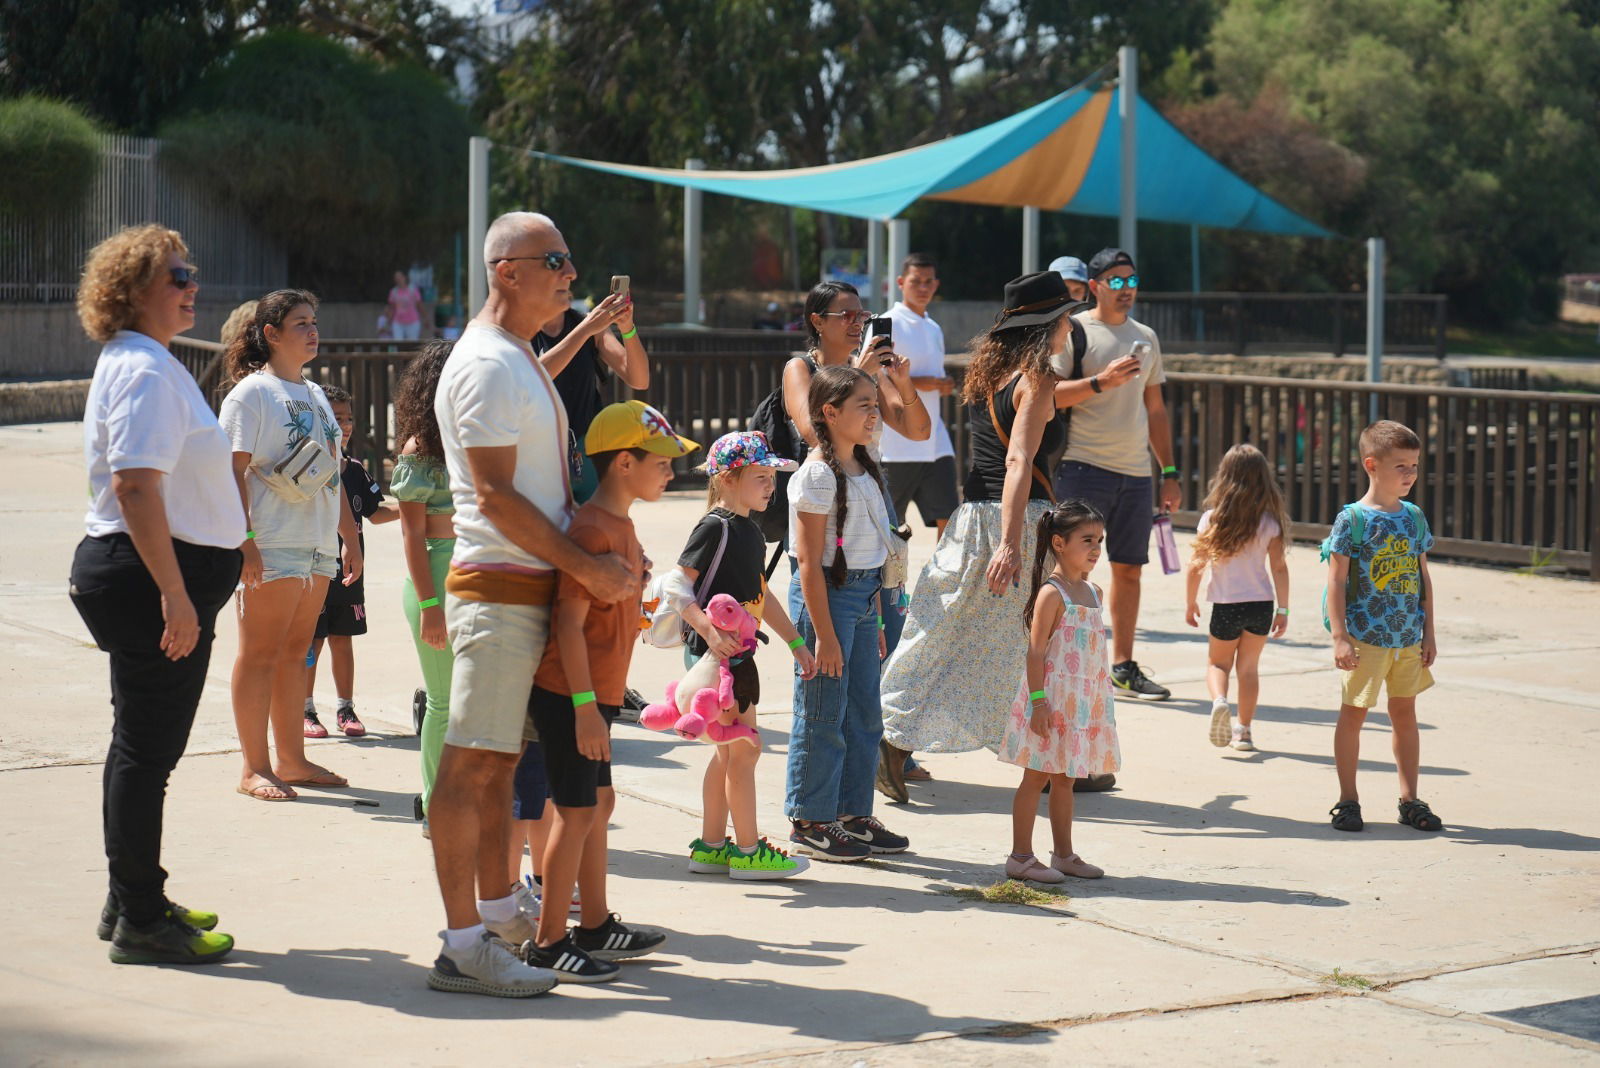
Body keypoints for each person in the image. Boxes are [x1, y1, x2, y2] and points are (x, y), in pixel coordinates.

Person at [425, 211, 638, 999]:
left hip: (525, 587)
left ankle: (493, 917)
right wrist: (587, 564)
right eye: (556, 260)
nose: (571, 274)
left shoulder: (513, 355)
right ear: (506, 270)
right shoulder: (485, 361)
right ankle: (461, 943)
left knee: (498, 767)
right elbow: (492, 496)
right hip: (499, 588)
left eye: (570, 258)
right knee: (470, 764)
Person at [71, 224, 244, 964]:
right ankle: (141, 915)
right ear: (132, 291)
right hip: (150, 580)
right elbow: (136, 484)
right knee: (148, 754)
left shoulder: (141, 361)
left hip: (148, 576)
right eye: (176, 276)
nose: (190, 286)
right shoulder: (143, 368)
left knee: (136, 749)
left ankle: (130, 896)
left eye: (190, 271)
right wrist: (176, 595)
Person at [877, 272, 1074, 783]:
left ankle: (893, 737)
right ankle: (1058, 758)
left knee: (941, 632)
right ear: (1046, 326)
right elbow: (1018, 461)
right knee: (1042, 640)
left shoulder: (994, 375)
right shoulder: (1038, 379)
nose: (1070, 326)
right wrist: (1011, 544)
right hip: (1018, 521)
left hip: (970, 520)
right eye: (1065, 318)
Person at [521, 400, 687, 981]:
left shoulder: (619, 524)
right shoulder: (592, 528)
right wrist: (587, 710)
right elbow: (565, 623)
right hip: (572, 694)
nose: (671, 471)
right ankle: (547, 941)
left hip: (598, 692)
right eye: (661, 461)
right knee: (574, 810)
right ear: (623, 462)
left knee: (599, 804)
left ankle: (594, 925)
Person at [782, 281, 931, 798]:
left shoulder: (873, 378)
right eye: (845, 314)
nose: (856, 322)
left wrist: (899, 383)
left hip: (869, 528)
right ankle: (816, 812)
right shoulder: (801, 369)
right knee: (826, 690)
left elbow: (917, 429)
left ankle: (861, 793)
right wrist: (864, 372)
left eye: (861, 313)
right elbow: (811, 430)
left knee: (871, 674)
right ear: (817, 320)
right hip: (828, 523)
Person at [220, 290, 361, 801]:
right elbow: (229, 472)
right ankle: (253, 768)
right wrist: (246, 542)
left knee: (294, 654)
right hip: (272, 543)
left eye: (313, 322)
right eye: (299, 323)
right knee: (258, 653)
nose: (311, 330)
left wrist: (348, 534)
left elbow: (333, 473)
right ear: (271, 334)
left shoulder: (317, 395)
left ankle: (292, 761)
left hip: (317, 545)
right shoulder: (251, 394)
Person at [672, 431, 815, 880]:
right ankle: (749, 852)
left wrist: (795, 642)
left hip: (734, 658)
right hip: (718, 660)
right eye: (760, 476)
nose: (770, 486)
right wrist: (709, 631)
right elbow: (677, 584)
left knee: (729, 754)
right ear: (728, 479)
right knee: (744, 752)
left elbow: (760, 593)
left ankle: (713, 847)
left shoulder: (748, 529)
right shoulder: (714, 526)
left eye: (772, 477)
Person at [786, 366, 911, 861]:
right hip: (827, 603)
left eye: (874, 404)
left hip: (864, 601)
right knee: (822, 713)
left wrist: (876, 615)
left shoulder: (869, 463)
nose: (874, 413)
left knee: (864, 714)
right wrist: (824, 635)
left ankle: (852, 814)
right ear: (829, 412)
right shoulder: (815, 476)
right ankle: (810, 819)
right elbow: (809, 565)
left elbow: (877, 547)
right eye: (864, 404)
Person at [1052, 247, 1182, 702]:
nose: (1127, 290)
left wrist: (1169, 471)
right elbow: (1047, 395)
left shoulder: (1145, 335)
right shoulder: (1075, 332)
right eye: (1117, 282)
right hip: (1083, 467)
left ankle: (1123, 667)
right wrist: (1100, 382)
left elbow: (1156, 408)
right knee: (1067, 569)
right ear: (1095, 287)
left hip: (1135, 473)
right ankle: (1057, 658)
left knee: (1130, 570)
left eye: (1132, 281)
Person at [1326, 421, 1442, 834]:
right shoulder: (1352, 519)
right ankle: (1348, 800)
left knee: (1405, 714)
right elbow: (1336, 581)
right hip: (1365, 637)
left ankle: (1410, 799)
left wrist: (1428, 632)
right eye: (1401, 466)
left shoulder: (1413, 517)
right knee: (1354, 715)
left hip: (1408, 637)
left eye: (1414, 465)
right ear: (1372, 465)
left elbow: (1423, 576)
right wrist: (1340, 637)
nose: (1410, 474)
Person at [999, 500, 1119, 883]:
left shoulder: (1094, 592)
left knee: (1066, 778)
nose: (1096, 549)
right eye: (1087, 540)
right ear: (1059, 542)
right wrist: (1038, 703)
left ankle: (1064, 854)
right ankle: (1020, 857)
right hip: (1049, 702)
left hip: (1080, 705)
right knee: (1035, 777)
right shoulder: (1053, 594)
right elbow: (1035, 652)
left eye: (1099, 540)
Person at [1184, 444, 1291, 752]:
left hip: (1225, 604)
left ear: (1224, 477)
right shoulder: (1270, 522)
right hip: (1260, 605)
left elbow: (1196, 566)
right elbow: (1280, 568)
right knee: (1248, 669)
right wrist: (1283, 609)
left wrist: (1190, 602)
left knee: (1218, 664)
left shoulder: (1212, 520)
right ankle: (1243, 732)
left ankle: (1219, 701)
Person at [304, 384, 397, 739]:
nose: (343, 425)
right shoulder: (310, 467)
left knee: (343, 638)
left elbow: (376, 512)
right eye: (335, 417)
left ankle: (346, 708)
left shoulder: (355, 470)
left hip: (348, 574)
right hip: (315, 567)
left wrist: (415, 507)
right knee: (311, 641)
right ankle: (305, 709)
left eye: (348, 418)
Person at [389, 341, 456, 828]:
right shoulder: (420, 449)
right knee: (445, 701)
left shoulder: (475, 438)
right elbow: (411, 533)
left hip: (478, 573)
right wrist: (431, 605)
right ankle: (438, 805)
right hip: (434, 575)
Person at [532, 290, 646, 504]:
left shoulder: (589, 326)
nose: (566, 279)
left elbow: (639, 379)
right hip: (539, 452)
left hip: (586, 448)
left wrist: (627, 328)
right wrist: (585, 331)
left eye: (567, 282)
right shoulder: (520, 330)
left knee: (595, 531)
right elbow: (534, 378)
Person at [880, 253, 958, 543]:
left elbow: (931, 377)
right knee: (888, 526)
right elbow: (873, 374)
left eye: (928, 282)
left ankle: (941, 582)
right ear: (901, 283)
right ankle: (887, 587)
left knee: (951, 517)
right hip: (896, 442)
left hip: (935, 438)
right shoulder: (887, 321)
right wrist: (922, 383)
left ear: (936, 285)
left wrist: (941, 384)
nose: (923, 287)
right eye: (916, 281)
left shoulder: (933, 326)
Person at [386, 270, 424, 341]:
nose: (398, 279)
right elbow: (392, 308)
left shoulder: (413, 289)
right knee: (398, 343)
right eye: (396, 278)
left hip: (413, 322)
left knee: (412, 345)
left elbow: (419, 305)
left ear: (404, 277)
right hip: (398, 322)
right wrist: (388, 321)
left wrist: (426, 318)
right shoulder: (393, 292)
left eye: (399, 277)